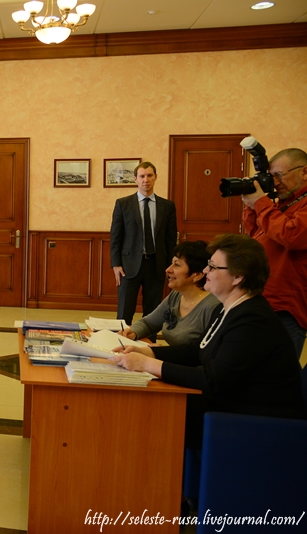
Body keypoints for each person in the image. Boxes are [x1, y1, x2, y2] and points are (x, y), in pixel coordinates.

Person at [113, 234, 305, 449]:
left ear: (238, 277)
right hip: (233, 404)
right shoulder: (229, 308)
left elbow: (213, 380)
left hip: (260, 422)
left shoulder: (253, 320)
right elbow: (198, 350)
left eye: (213, 267)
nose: (205, 271)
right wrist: (148, 352)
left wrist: (148, 365)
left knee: (159, 410)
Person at [242, 148, 307, 357]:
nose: (275, 182)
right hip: (261, 298)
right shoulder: (281, 204)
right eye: (272, 176)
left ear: (304, 172)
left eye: (279, 175)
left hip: (287, 307)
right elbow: (255, 234)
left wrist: (261, 203)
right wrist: (252, 205)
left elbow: (292, 235)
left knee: (278, 370)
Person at [110, 162, 178, 329]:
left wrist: (172, 265)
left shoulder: (167, 206)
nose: (145, 179)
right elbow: (115, 237)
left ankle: (149, 343)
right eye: (142, 176)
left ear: (155, 177)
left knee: (153, 313)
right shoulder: (123, 204)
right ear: (135, 179)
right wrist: (116, 264)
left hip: (156, 265)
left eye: (149, 175)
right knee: (124, 313)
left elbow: (170, 239)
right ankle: (121, 342)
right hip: (129, 266)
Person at [118, 240, 220, 346]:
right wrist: (133, 332)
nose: (168, 270)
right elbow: (149, 323)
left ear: (198, 275)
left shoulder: (212, 306)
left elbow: (205, 351)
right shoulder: (176, 295)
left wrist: (160, 352)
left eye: (177, 265)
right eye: (171, 263)